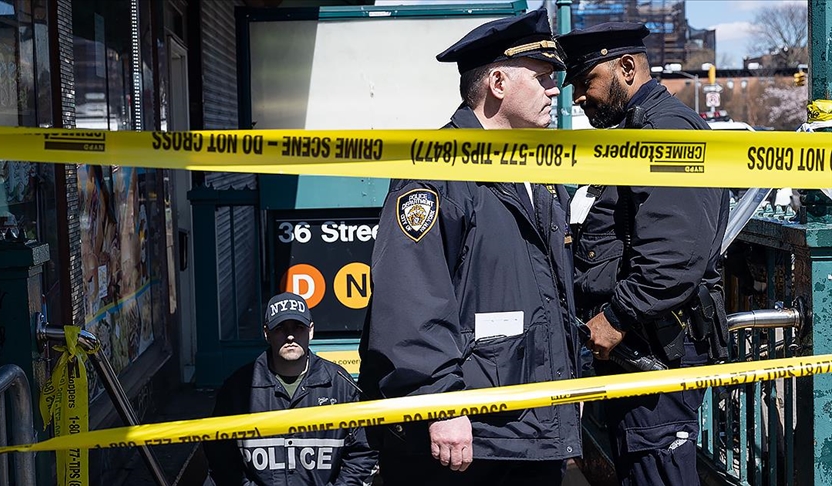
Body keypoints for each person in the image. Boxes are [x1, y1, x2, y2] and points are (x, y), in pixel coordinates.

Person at [357, 8, 581, 486]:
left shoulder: (535, 171)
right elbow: (409, 297)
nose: (554, 89)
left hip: (528, 425)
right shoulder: (437, 171)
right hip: (467, 437)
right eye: (542, 76)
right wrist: (440, 402)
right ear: (497, 83)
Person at [557, 23, 730, 486]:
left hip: (655, 348)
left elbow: (674, 253)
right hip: (640, 346)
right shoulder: (637, 129)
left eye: (584, 81)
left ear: (626, 68)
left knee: (658, 469)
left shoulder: (664, 129)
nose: (577, 96)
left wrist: (616, 317)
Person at [204, 292, 378, 486]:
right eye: (280, 328)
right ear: (266, 333)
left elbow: (363, 451)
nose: (290, 335)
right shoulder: (239, 387)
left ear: (311, 330)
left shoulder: (340, 385)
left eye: (298, 327)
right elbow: (220, 457)